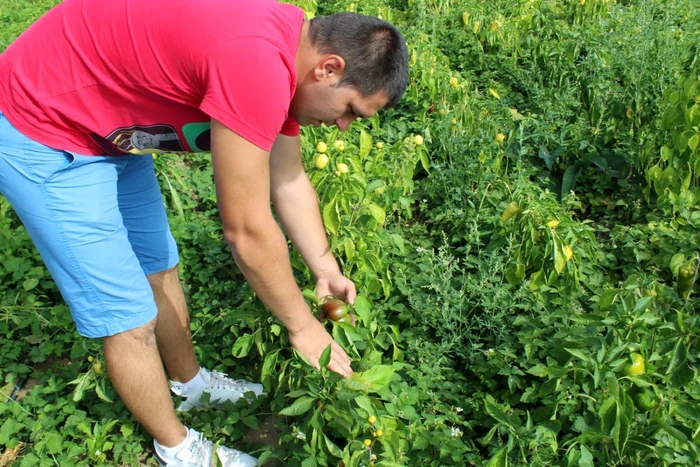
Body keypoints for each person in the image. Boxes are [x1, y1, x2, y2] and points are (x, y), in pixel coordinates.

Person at [0, 0, 409, 465]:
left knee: (159, 265)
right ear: (328, 68)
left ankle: (191, 385)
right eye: (351, 109)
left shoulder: (291, 53)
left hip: (107, 128)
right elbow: (247, 230)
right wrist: (303, 327)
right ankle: (176, 448)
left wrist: (324, 266)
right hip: (41, 126)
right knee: (128, 318)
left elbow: (288, 177)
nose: (343, 125)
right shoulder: (256, 64)